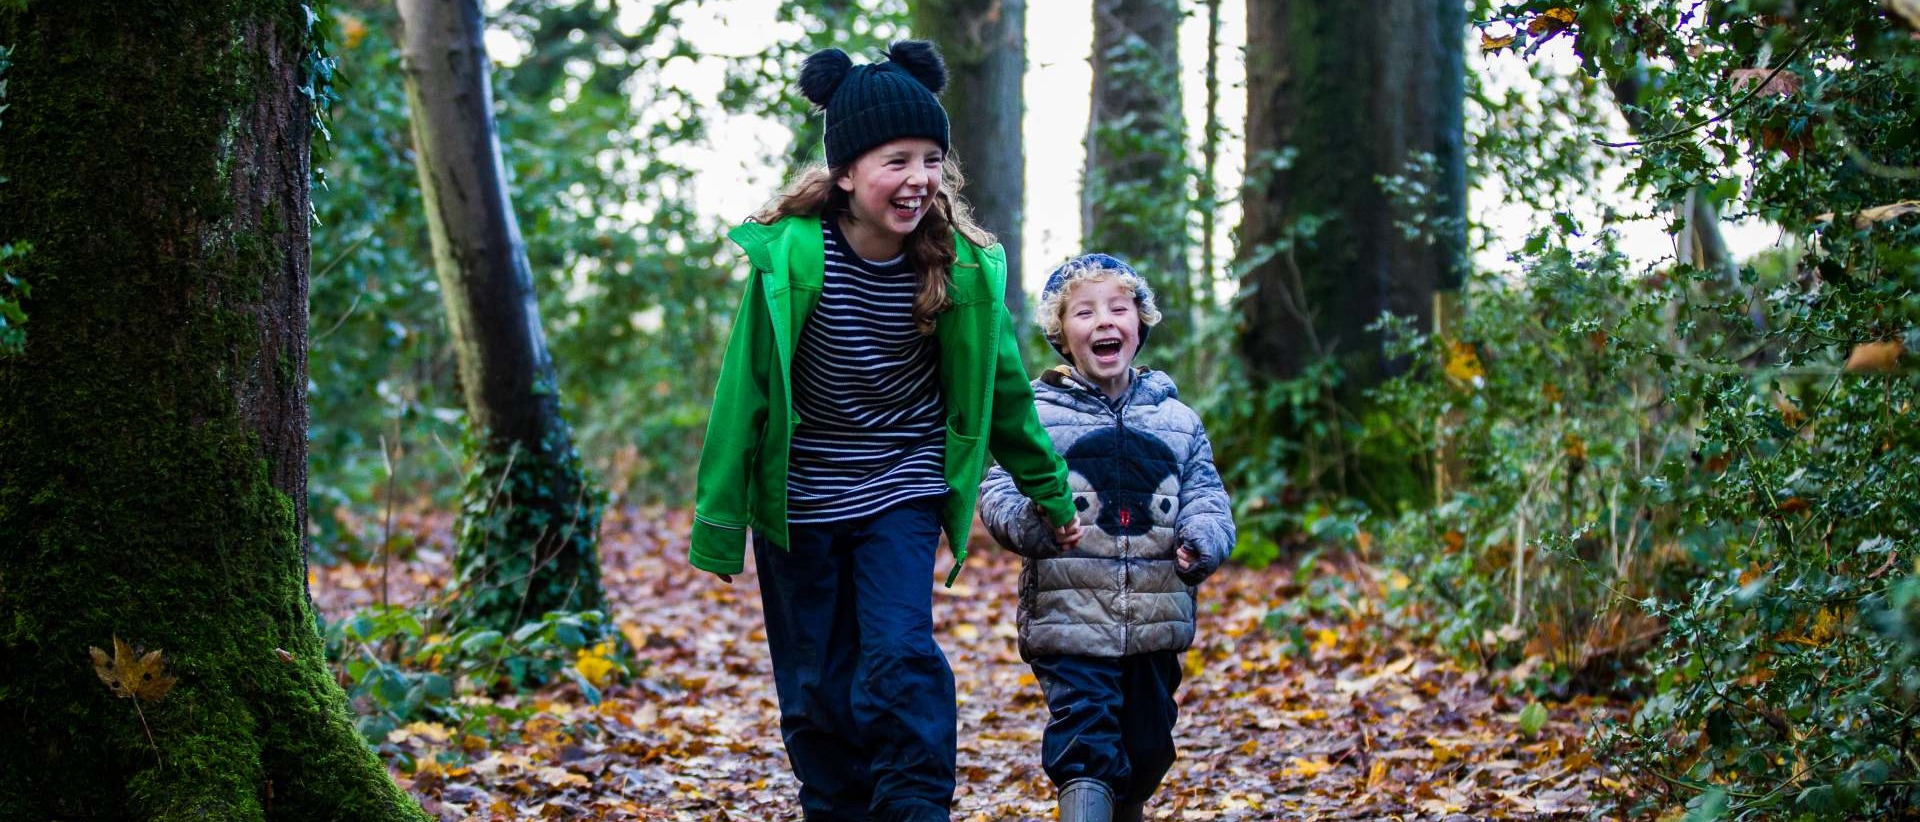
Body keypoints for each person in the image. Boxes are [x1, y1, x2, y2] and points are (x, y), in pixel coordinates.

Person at [687, 40, 1083, 822]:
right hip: (798, 498)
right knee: (816, 681)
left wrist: (1052, 493)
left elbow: (1005, 395)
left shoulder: (963, 268)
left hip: (899, 488)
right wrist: (718, 522)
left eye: (932, 159)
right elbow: (745, 393)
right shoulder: (792, 259)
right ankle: (834, 806)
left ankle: (915, 806)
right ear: (844, 173)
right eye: (895, 160)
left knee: (899, 656)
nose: (919, 179)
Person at [977, 253, 1236, 822]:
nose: (1104, 322)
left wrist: (1201, 536)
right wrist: (1038, 519)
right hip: (1069, 618)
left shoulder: (1177, 420)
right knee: (1085, 746)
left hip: (1155, 619)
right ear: (1062, 335)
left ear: (1139, 324)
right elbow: (996, 491)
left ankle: (1127, 806)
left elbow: (1208, 495)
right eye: (1084, 312)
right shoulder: (1037, 417)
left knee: (1147, 748)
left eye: (1119, 309)